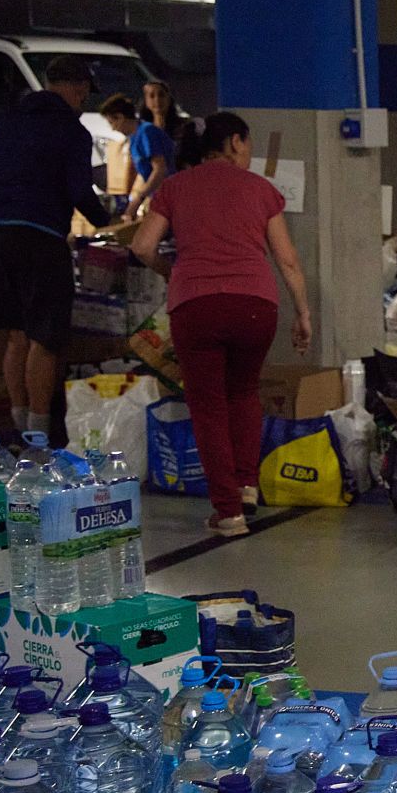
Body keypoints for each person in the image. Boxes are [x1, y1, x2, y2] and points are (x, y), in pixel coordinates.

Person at [129, 112, 313, 537]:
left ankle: (227, 512)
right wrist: (302, 313)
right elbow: (287, 260)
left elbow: (141, 246)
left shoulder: (174, 187)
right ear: (234, 142)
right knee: (244, 392)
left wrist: (170, 270)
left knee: (208, 406)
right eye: (248, 145)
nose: (249, 154)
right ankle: (246, 486)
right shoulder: (260, 189)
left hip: (196, 306)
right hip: (255, 305)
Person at [0, 56, 112, 440]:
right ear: (78, 89)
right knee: (45, 340)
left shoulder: (6, 118)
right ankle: (40, 439)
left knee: (17, 336)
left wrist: (2, 199)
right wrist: (107, 223)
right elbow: (80, 191)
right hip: (38, 239)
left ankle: (19, 425)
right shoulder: (71, 132)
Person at [99, 95, 175, 221]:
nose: (112, 128)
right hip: (159, 196)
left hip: (170, 196)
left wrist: (138, 199)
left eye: (112, 122)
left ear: (121, 117)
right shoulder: (134, 138)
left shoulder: (147, 133)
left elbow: (160, 170)